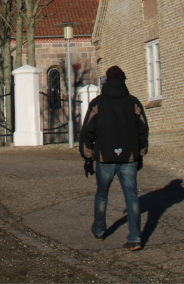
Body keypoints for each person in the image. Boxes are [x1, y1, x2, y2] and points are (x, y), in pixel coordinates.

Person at [80, 65, 149, 250]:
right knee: (132, 197)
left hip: (105, 157)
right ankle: (135, 237)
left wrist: (87, 158)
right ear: (123, 81)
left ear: (107, 82)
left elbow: (87, 132)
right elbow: (143, 130)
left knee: (102, 195)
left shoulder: (98, 103)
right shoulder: (133, 102)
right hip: (128, 157)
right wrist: (140, 154)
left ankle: (99, 229)